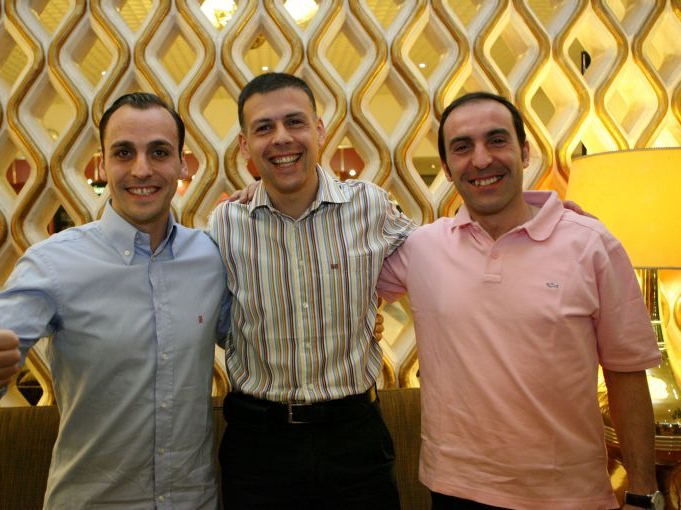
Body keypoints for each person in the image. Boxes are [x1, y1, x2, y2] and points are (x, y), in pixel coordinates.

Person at [0, 93, 229, 509]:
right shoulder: (54, 263)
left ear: (181, 163)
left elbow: (254, 338)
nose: (142, 169)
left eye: (159, 152)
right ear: (103, 164)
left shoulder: (210, 257)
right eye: (124, 153)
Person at [377, 92, 661, 509]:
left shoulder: (591, 244)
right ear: (447, 168)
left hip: (569, 496)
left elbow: (627, 373)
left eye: (496, 140)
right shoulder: (422, 248)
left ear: (524, 152)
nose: (481, 160)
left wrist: (643, 490)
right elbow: (340, 283)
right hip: (455, 489)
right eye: (462, 147)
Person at [207, 72, 415, 509]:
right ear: (245, 145)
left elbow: (440, 258)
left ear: (319, 130)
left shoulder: (370, 206)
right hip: (258, 445)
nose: (281, 138)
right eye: (264, 128)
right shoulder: (225, 224)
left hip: (354, 437)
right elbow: (216, 317)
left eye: (295, 122)